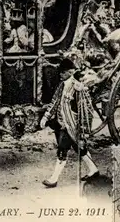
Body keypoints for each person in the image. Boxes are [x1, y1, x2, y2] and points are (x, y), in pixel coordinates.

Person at [39, 58, 99, 188]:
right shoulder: (63, 85)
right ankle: (93, 169)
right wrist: (46, 117)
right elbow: (55, 102)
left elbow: (86, 111)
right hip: (63, 124)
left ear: (70, 72)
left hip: (72, 125)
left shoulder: (78, 88)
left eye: (63, 72)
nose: (60, 74)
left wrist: (83, 130)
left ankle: (54, 179)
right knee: (80, 149)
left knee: (62, 150)